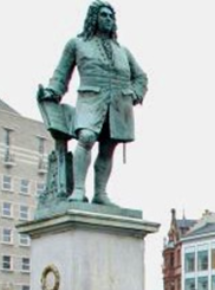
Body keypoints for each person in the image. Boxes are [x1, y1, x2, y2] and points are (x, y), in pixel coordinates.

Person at [39, 1, 148, 205]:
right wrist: (52, 91)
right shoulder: (77, 44)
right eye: (103, 15)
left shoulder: (123, 51)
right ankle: (79, 189)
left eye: (111, 16)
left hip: (118, 105)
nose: (108, 19)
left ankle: (100, 193)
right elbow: (62, 74)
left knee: (108, 147)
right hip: (91, 99)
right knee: (87, 137)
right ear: (94, 18)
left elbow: (141, 77)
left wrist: (134, 94)